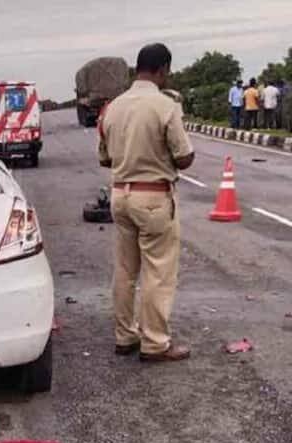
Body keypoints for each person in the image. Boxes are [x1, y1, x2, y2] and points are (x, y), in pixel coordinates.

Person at [98, 43, 194, 362]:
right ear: (162, 69)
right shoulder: (164, 105)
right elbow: (184, 158)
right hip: (152, 197)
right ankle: (155, 343)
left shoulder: (114, 107)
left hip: (120, 196)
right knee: (158, 271)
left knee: (125, 270)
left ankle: (125, 336)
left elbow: (105, 158)